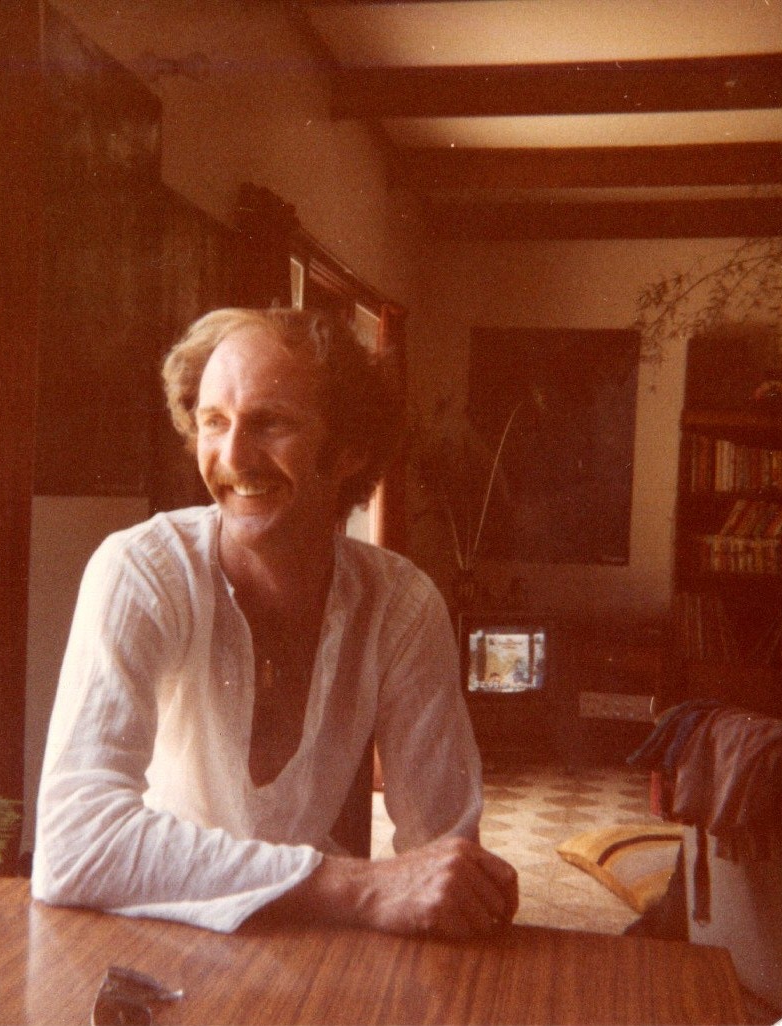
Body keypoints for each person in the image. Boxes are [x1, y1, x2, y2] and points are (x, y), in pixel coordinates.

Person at [32, 307, 518, 937]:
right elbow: (75, 846)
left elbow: (442, 864)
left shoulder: (401, 605)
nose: (233, 457)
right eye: (214, 422)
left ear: (349, 449)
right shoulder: (143, 570)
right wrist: (361, 887)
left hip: (304, 939)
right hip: (152, 925)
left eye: (270, 424)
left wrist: (461, 891)